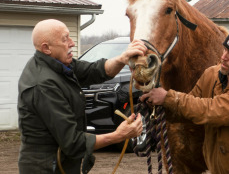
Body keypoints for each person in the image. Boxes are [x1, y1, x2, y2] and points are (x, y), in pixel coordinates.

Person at [140, 28, 229, 174]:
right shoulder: (212, 75)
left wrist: (168, 97)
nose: (223, 57)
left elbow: (213, 111)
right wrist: (158, 105)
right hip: (222, 168)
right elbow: (189, 110)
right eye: (225, 50)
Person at [18, 19, 146, 174]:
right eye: (65, 39)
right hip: (47, 167)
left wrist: (122, 59)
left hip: (63, 163)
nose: (72, 43)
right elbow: (73, 142)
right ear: (46, 48)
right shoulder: (43, 85)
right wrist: (118, 135)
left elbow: (95, 70)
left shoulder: (60, 65)